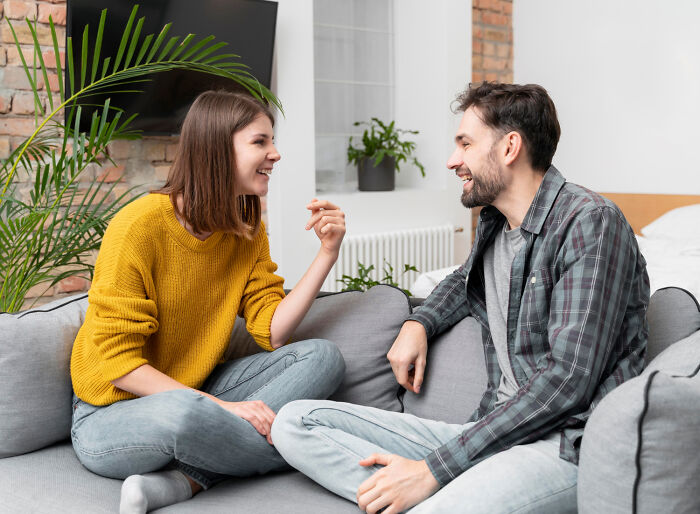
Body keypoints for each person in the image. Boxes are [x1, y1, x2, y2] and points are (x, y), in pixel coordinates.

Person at [271, 82, 650, 513]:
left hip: (560, 443)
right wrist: (419, 322)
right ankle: (418, 493)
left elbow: (566, 382)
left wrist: (434, 470)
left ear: (510, 147)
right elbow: (463, 279)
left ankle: (429, 493)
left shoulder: (591, 224)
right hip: (488, 432)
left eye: (465, 144)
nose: (453, 160)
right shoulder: (495, 223)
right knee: (295, 422)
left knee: (435, 496)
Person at [69, 90, 347, 514]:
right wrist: (226, 410)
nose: (275, 154)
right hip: (111, 414)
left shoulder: (245, 229)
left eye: (272, 141)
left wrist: (327, 252)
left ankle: (186, 481)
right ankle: (314, 453)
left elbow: (271, 331)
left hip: (194, 389)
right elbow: (117, 367)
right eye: (260, 142)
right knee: (183, 414)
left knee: (324, 358)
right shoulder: (137, 227)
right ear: (217, 148)